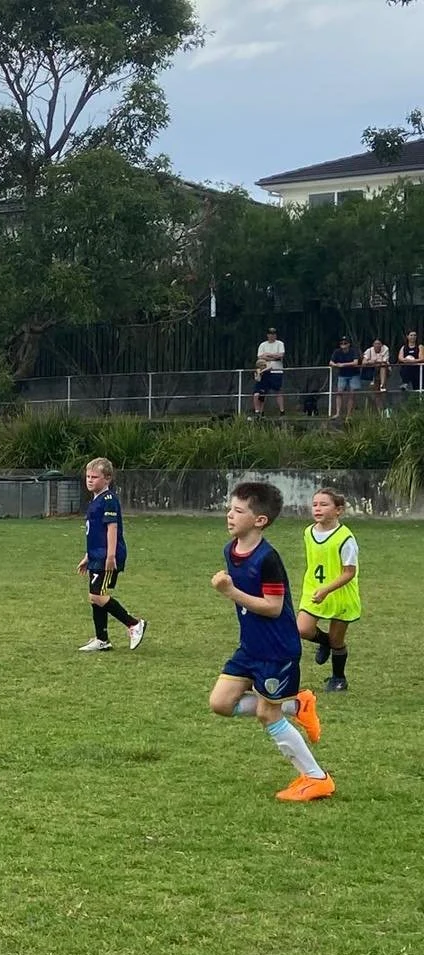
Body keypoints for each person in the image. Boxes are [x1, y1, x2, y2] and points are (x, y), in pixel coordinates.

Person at [207, 482, 332, 802]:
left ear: (259, 520)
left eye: (238, 511)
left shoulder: (268, 559)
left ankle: (317, 778)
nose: (229, 515)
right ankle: (297, 704)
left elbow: (273, 607)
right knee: (220, 703)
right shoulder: (230, 549)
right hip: (250, 646)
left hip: (277, 650)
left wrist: (230, 593)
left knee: (267, 713)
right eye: (230, 509)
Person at [76, 457, 147, 652]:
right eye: (88, 476)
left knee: (97, 596)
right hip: (96, 555)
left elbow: (112, 528)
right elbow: (95, 533)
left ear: (107, 479)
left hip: (107, 556)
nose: (90, 480)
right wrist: (88, 556)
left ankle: (133, 624)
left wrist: (110, 556)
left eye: (95, 477)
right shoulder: (96, 500)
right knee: (95, 597)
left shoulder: (108, 500)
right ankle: (102, 639)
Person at [296, 489, 360, 693]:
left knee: (337, 640)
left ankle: (339, 679)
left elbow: (349, 572)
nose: (317, 508)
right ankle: (324, 643)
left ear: (338, 510)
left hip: (340, 594)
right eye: (315, 504)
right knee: (302, 629)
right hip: (314, 589)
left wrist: (327, 589)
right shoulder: (308, 532)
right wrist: (318, 588)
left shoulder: (345, 538)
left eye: (324, 504)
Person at [254, 327, 286, 417]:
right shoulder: (263, 345)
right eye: (270, 334)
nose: (272, 335)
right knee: (262, 391)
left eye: (274, 334)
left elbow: (280, 355)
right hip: (264, 370)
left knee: (278, 390)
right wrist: (273, 357)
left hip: (277, 370)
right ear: (267, 335)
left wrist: (268, 355)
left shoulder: (280, 343)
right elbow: (260, 357)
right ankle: (261, 412)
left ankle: (282, 411)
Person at [328, 336, 361, 420]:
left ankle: (349, 415)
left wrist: (343, 365)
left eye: (345, 343)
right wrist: (336, 365)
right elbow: (331, 362)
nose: (343, 344)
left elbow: (355, 362)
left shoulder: (353, 351)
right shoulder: (337, 352)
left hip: (354, 374)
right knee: (339, 393)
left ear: (349, 344)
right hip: (342, 375)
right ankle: (338, 413)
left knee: (352, 394)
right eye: (341, 343)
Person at [361, 337, 393, 416]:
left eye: (379, 344)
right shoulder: (369, 350)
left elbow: (384, 361)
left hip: (385, 371)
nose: (377, 345)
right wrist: (373, 362)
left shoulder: (385, 349)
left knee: (382, 366)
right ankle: (380, 412)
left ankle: (382, 384)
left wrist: (372, 361)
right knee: (377, 394)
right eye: (375, 344)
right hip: (373, 372)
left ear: (382, 344)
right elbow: (364, 362)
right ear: (373, 344)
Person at [398, 330, 422, 397]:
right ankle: (405, 383)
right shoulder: (404, 347)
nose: (413, 337)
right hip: (407, 369)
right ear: (407, 336)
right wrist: (406, 360)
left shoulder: (420, 347)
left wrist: (412, 361)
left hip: (417, 369)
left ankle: (418, 402)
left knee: (417, 388)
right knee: (405, 369)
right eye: (411, 335)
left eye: (414, 335)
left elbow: (422, 358)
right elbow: (400, 358)